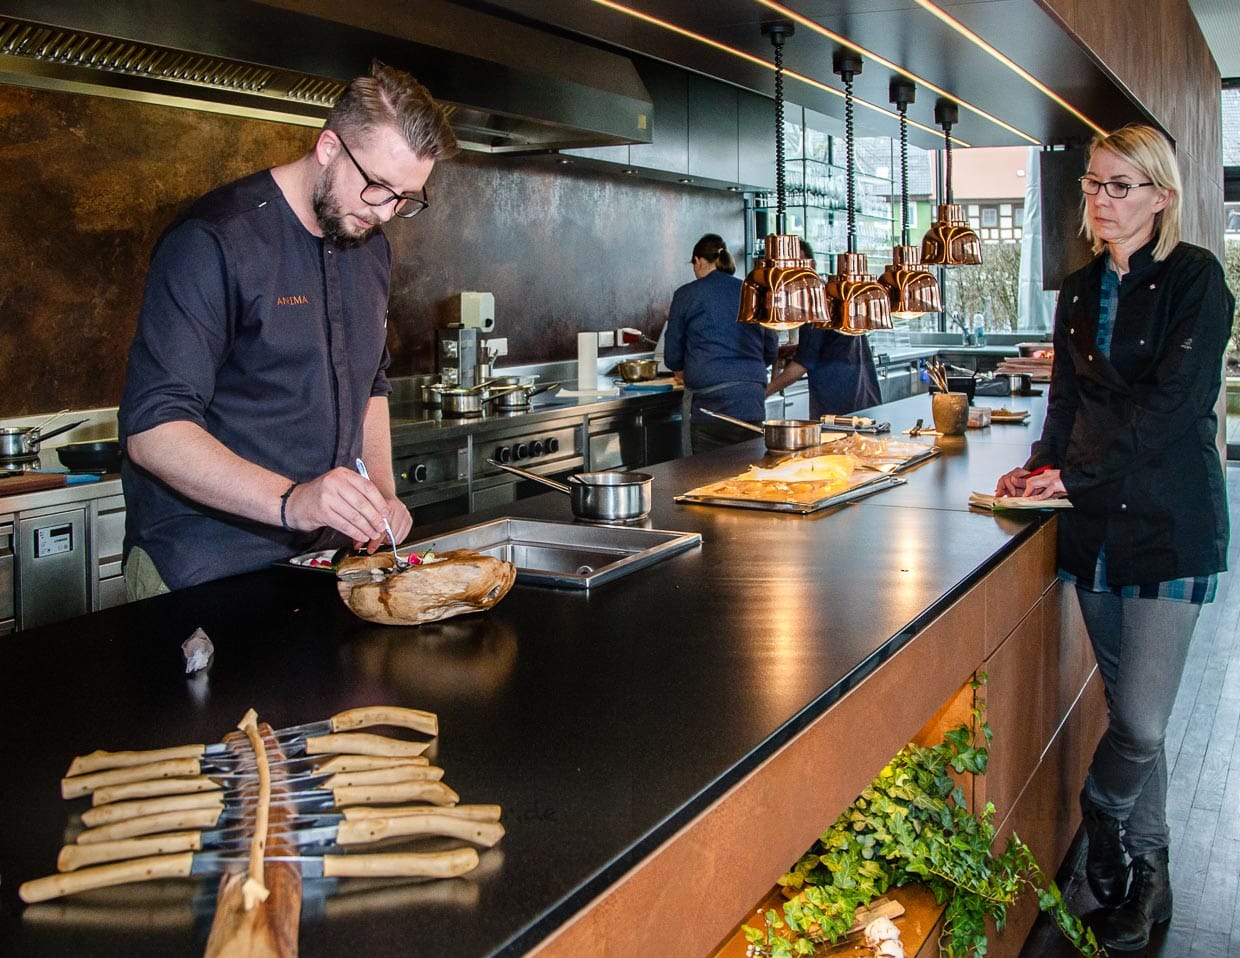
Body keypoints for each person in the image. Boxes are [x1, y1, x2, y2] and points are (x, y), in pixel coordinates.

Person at [994, 124, 1233, 952]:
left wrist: (1077, 477)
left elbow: (1172, 411)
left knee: (1137, 723)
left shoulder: (1198, 279)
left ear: (1161, 196)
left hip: (1171, 527)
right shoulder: (1075, 289)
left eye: (1121, 186)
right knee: (1138, 714)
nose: (1101, 199)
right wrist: (1038, 466)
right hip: (1093, 531)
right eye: (1094, 184)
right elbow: (1068, 405)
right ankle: (1147, 878)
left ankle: (1103, 812)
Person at [118, 61, 458, 597]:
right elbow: (153, 431)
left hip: (320, 564)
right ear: (328, 148)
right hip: (203, 568)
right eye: (378, 187)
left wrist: (382, 498)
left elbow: (370, 384)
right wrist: (292, 500)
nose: (388, 212)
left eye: (406, 198)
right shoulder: (212, 240)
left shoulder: (370, 245)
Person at [663, 234, 779, 453]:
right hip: (751, 401)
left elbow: (672, 355)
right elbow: (771, 349)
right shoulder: (754, 291)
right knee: (748, 473)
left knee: (706, 476)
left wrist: (682, 372)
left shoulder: (687, 294)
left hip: (710, 406)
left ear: (698, 261)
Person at [765, 240, 881, 417]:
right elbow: (830, 344)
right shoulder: (830, 291)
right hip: (863, 394)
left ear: (812, 264)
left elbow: (803, 364)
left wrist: (765, 391)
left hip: (838, 403)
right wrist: (795, 349)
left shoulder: (813, 301)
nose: (790, 274)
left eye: (798, 265)